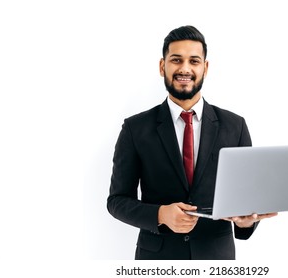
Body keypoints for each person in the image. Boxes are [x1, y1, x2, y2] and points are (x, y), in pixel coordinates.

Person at [107, 25, 277, 260]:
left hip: (216, 259)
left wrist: (246, 221)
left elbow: (245, 199)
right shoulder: (136, 128)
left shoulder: (234, 126)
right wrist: (160, 215)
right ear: (162, 66)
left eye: (194, 61)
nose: (185, 68)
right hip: (157, 260)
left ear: (205, 68)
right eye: (176, 60)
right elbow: (116, 201)